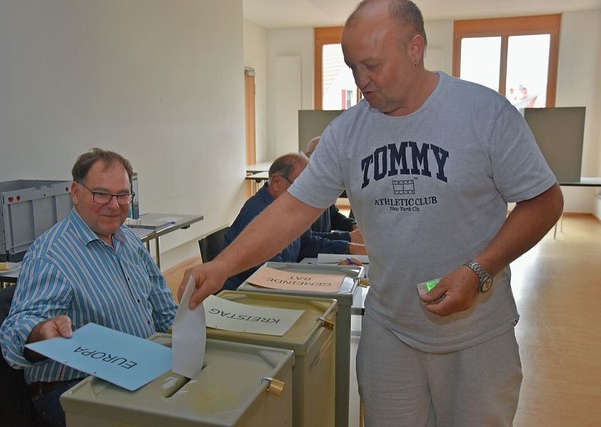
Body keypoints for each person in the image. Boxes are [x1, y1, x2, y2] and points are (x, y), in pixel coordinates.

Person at [179, 0, 564, 425]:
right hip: (390, 332)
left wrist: (479, 269)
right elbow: (291, 209)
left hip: (475, 335)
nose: (362, 80)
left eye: (372, 65)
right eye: (351, 67)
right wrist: (222, 265)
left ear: (414, 48)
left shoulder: (483, 113)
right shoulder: (347, 133)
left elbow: (545, 200)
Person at [0, 148, 177, 427]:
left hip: (139, 370)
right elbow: (12, 335)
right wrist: (39, 332)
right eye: (101, 194)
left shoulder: (128, 240)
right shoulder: (51, 256)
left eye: (122, 195)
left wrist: (190, 336)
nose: (114, 205)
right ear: (75, 192)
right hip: (75, 389)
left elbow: (165, 310)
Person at [221, 152, 366, 290]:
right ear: (277, 182)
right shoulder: (258, 215)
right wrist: (332, 274)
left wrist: (348, 247)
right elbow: (275, 277)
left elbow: (306, 242)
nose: (306, 194)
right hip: (245, 299)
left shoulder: (285, 209)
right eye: (301, 186)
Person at [305, 136, 362, 243]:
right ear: (308, 157)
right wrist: (348, 238)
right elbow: (306, 239)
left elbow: (334, 217)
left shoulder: (323, 183)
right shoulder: (301, 188)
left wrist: (353, 225)